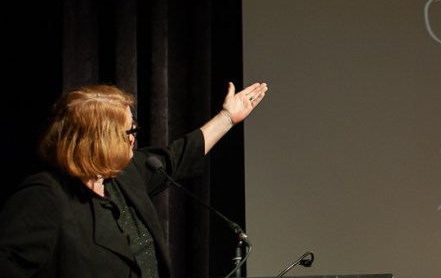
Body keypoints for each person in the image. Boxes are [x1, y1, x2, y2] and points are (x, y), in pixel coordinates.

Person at [0, 81, 268, 277]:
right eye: (129, 131)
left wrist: (226, 118)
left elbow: (177, 156)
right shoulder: (45, 197)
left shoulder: (124, 174)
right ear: (98, 139)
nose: (133, 138)